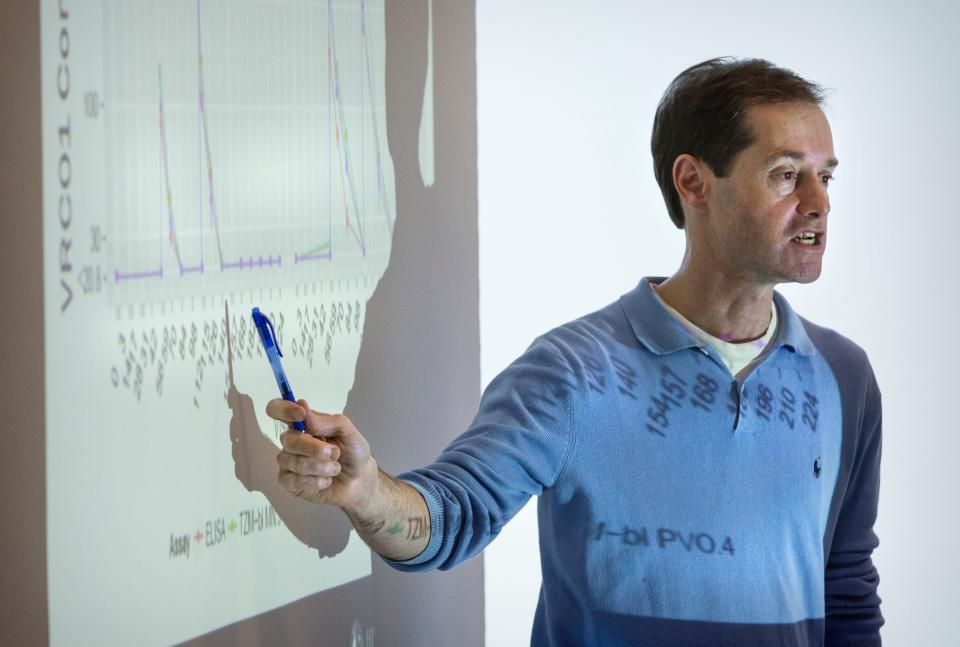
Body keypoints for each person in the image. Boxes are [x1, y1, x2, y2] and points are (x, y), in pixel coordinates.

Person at [266, 57, 883, 646]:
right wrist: (367, 492)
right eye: (785, 174)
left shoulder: (843, 376)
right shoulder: (573, 372)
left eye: (825, 176)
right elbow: (454, 517)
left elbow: (848, 592)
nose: (819, 202)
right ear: (694, 182)